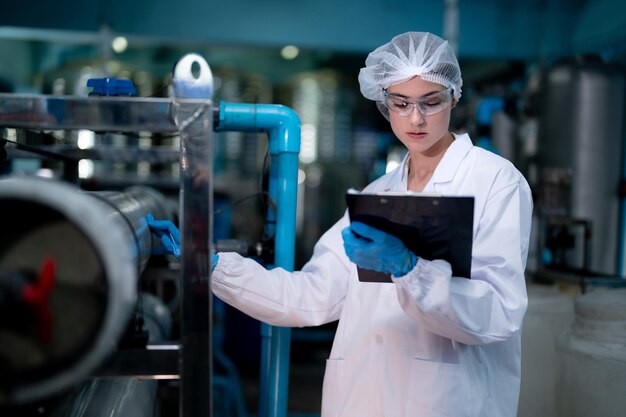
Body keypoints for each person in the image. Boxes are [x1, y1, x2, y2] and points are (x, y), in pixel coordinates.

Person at [150, 31, 533, 417]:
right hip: (362, 400)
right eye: (401, 103)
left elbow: (499, 312)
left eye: (430, 103)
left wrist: (413, 272)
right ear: (385, 103)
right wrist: (210, 263)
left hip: (445, 402)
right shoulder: (379, 192)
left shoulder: (495, 182)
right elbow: (312, 294)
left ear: (454, 96)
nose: (415, 118)